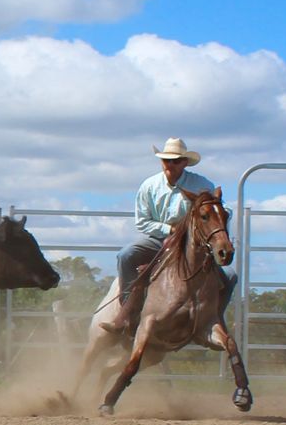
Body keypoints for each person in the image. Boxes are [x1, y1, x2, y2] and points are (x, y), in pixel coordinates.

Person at [100, 137, 236, 335]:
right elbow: (142, 222)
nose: (170, 164)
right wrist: (169, 230)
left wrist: (215, 230)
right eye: (166, 160)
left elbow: (222, 210)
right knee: (126, 255)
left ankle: (214, 317)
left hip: (194, 244)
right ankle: (127, 309)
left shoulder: (202, 184)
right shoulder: (149, 186)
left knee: (230, 276)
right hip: (158, 240)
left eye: (176, 160)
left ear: (185, 162)